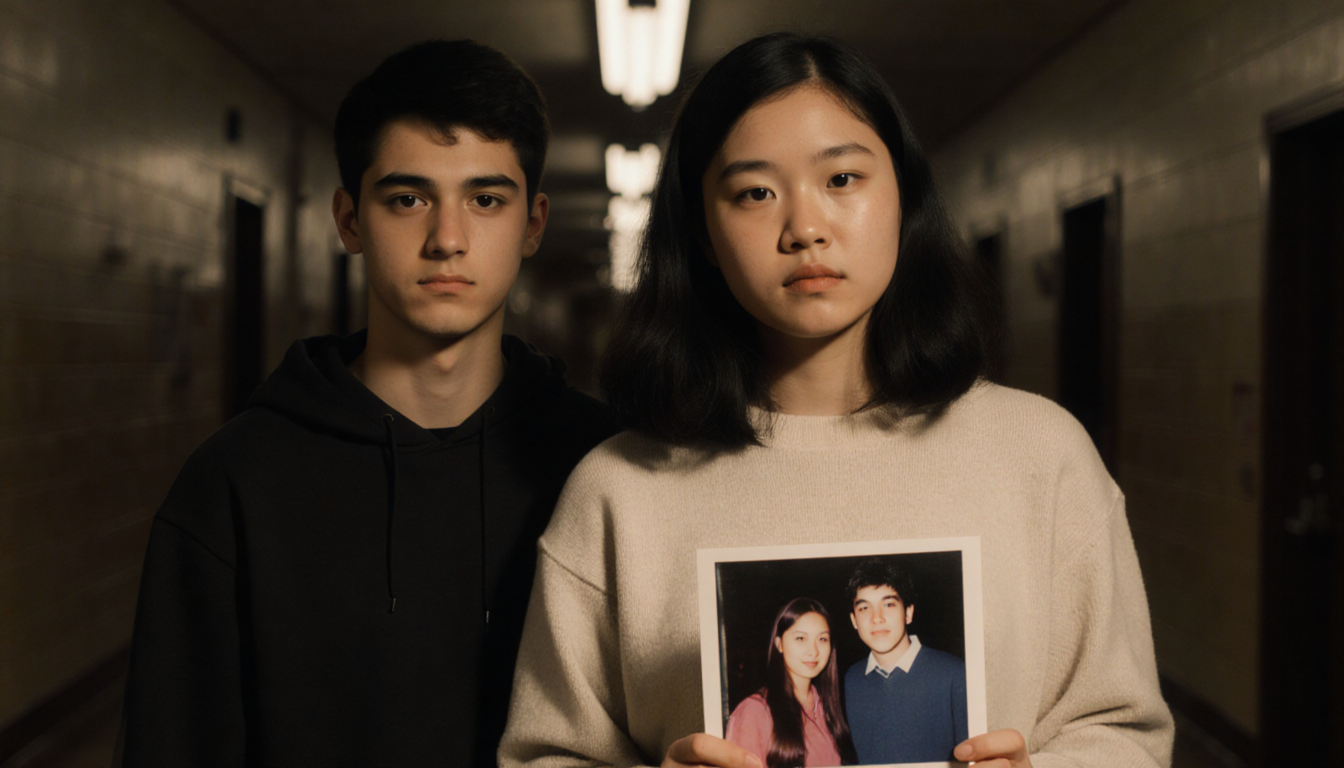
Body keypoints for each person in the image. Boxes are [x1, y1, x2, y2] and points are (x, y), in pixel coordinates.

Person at [500, 31, 1173, 768]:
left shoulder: (1041, 455)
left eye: (843, 179)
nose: (806, 228)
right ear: (701, 234)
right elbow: (545, 753)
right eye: (754, 192)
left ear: (904, 197)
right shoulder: (619, 490)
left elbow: (1123, 730)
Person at [119, 40, 617, 767]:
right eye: (408, 199)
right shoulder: (235, 484)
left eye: (485, 200)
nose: (447, 240)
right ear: (350, 220)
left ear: (533, 223)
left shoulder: (602, 468)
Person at [843, 559, 967, 764]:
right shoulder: (852, 679)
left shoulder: (954, 673)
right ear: (854, 620)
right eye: (864, 608)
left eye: (888, 604)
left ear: (908, 612)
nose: (877, 618)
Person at [724, 599, 857, 767]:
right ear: (779, 644)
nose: (813, 651)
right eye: (801, 638)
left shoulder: (828, 709)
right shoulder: (755, 711)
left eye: (822, 639)